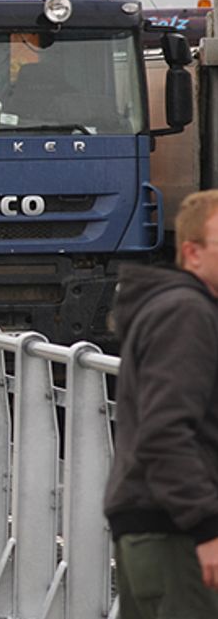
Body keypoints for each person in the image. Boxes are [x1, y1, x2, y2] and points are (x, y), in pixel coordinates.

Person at [105, 189, 218, 617]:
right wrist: (207, 528)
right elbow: (165, 432)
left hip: (164, 524)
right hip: (175, 532)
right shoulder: (186, 314)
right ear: (192, 252)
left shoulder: (185, 308)